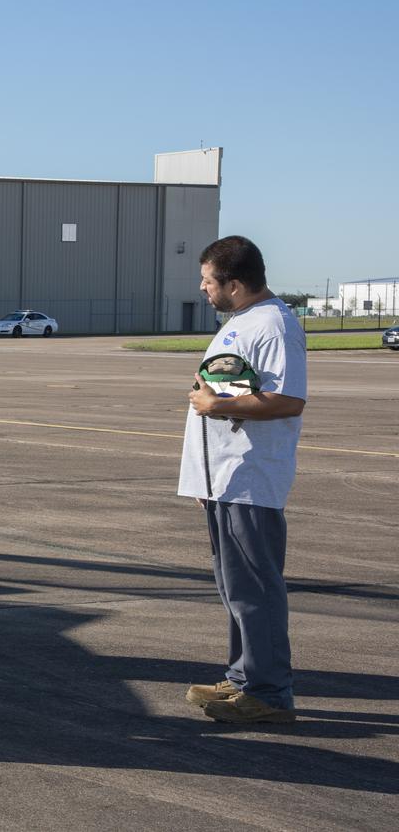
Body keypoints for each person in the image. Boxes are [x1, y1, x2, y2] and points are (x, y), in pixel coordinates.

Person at [179, 235, 307, 724]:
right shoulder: (244, 323)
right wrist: (203, 479)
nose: (203, 288)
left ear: (234, 283)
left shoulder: (273, 325)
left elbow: (288, 400)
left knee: (255, 589)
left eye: (208, 280)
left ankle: (269, 694)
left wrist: (218, 405)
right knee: (236, 589)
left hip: (250, 481)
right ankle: (242, 679)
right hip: (224, 481)